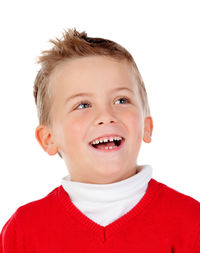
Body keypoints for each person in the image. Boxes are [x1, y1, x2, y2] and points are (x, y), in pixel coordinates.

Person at [0, 28, 200, 252]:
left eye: (121, 100)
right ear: (48, 138)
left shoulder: (191, 222)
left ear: (146, 126)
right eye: (83, 105)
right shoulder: (24, 230)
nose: (106, 116)